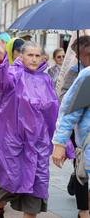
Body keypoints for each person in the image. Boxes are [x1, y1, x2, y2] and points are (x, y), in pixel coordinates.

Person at [0, 34, 59, 218]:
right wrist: (0, 57)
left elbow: (53, 111)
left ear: (42, 57)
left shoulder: (46, 80)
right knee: (12, 182)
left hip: (38, 144)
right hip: (14, 142)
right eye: (30, 55)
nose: (33, 59)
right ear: (21, 56)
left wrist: (61, 141)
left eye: (37, 55)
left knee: (36, 192)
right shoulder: (13, 74)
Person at [52, 36, 90, 218]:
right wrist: (60, 144)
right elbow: (69, 110)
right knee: (82, 173)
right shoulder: (84, 74)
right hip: (86, 139)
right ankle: (84, 211)